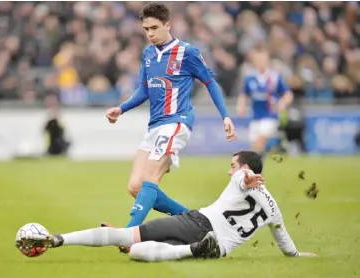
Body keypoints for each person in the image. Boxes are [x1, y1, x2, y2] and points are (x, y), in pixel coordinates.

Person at [17, 151, 317, 262]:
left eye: (232, 165)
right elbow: (286, 245)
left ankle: (58, 240)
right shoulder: (273, 207)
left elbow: (242, 178)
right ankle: (194, 251)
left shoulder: (243, 176)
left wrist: (246, 175)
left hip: (196, 224)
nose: (230, 171)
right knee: (136, 254)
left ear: (244, 167)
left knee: (126, 237)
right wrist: (299, 255)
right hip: (219, 249)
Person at [103, 2, 236, 237]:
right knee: (135, 186)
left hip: (176, 122)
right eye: (146, 29)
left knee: (152, 177)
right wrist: (121, 109)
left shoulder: (188, 52)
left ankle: (128, 234)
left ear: (167, 25)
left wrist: (225, 116)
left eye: (154, 27)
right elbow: (144, 90)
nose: (150, 34)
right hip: (154, 125)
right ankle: (198, 223)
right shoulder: (147, 54)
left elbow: (210, 82)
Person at [236, 47, 293, 160]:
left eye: (263, 59)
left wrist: (282, 103)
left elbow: (288, 94)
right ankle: (259, 172)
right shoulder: (250, 78)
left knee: (259, 142)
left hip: (270, 117)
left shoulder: (274, 77)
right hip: (255, 118)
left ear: (267, 60)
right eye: (258, 59)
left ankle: (277, 144)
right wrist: (241, 106)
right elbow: (244, 94)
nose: (260, 62)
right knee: (255, 149)